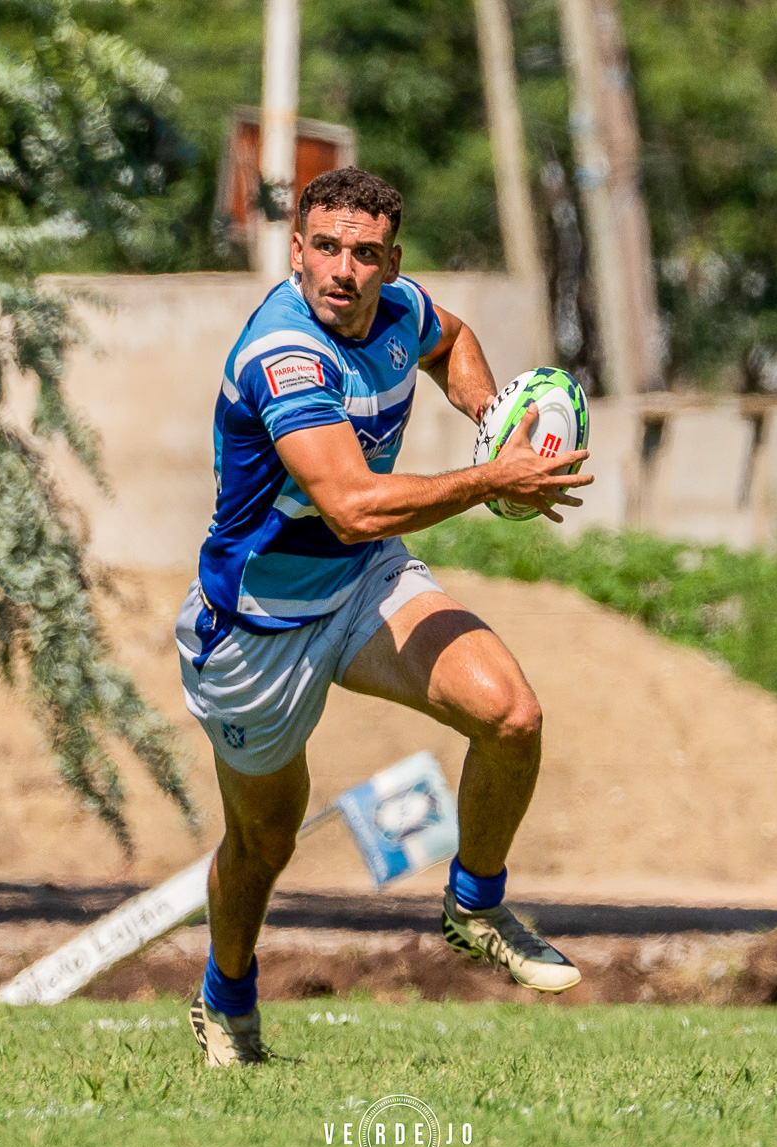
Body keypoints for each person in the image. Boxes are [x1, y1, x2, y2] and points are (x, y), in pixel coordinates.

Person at [179, 168, 592, 1067]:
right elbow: (354, 505)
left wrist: (493, 417)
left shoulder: (401, 310)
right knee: (264, 837)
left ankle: (476, 902)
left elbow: (453, 338)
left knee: (510, 714)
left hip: (363, 583)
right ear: (296, 250)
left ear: (390, 262)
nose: (343, 269)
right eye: (324, 247)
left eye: (364, 253)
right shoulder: (283, 355)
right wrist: (494, 478)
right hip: (257, 631)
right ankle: (228, 1001)